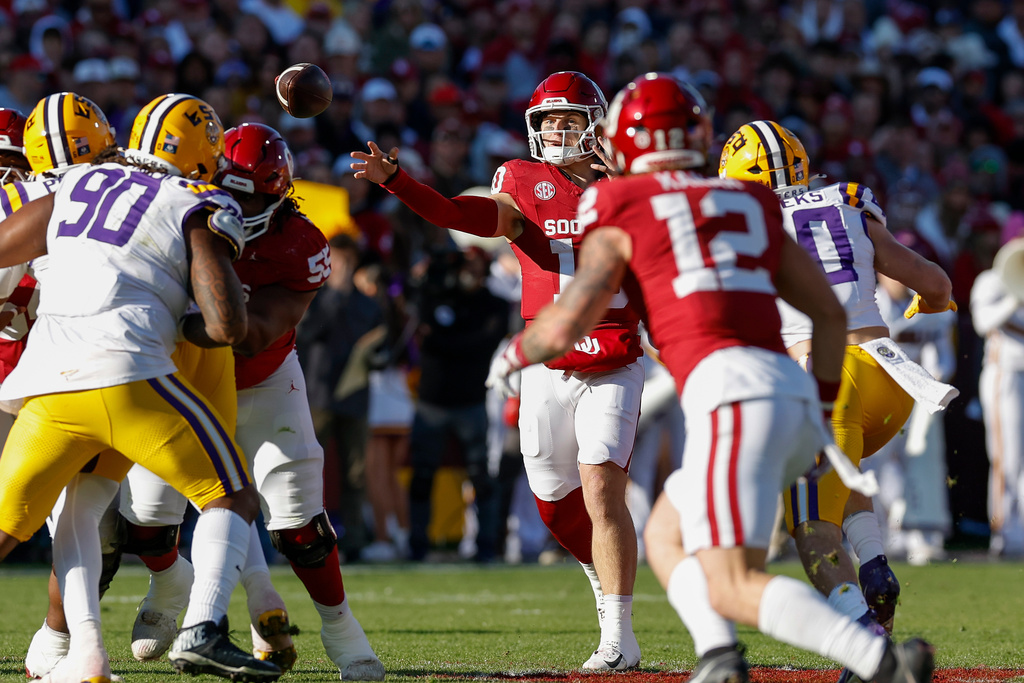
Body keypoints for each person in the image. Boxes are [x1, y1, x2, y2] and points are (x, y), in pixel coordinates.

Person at [485, 72, 935, 683]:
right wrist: (823, 406)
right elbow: (827, 312)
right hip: (792, 384)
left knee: (733, 577)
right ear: (697, 135)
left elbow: (572, 316)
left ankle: (874, 656)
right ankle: (721, 656)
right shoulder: (747, 200)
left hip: (730, 394)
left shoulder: (620, 201)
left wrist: (515, 354)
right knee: (669, 535)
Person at [352, 70, 643, 670]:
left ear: (596, 124)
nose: (558, 130)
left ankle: (619, 633)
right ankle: (601, 582)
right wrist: (398, 182)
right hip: (544, 361)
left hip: (614, 359)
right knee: (551, 502)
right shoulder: (522, 182)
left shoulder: (632, 185)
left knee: (602, 490)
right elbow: (462, 215)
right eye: (548, 120)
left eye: (569, 118)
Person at [0, 92, 280, 682]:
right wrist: (191, 316)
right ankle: (203, 628)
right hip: (129, 376)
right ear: (207, 155)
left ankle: (85, 657)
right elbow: (226, 325)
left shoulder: (81, 182)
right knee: (231, 496)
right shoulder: (197, 199)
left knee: (16, 524)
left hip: (45, 386)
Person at [719, 120, 956, 662]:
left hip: (823, 380)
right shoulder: (847, 198)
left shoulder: (741, 222)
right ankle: (874, 564)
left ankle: (866, 644)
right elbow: (937, 285)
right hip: (890, 375)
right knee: (842, 468)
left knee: (810, 530)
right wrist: (932, 309)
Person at [406, 245, 509, 562]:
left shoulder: (494, 304)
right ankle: (418, 544)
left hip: (470, 401)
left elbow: (482, 342)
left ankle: (487, 545)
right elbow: (416, 324)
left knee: (481, 476)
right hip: (432, 401)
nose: (470, 272)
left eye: (477, 266)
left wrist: (441, 340)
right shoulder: (436, 296)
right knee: (422, 475)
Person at [971, 237, 1024, 557]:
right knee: (1008, 456)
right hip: (1004, 373)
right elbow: (982, 322)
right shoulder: (991, 280)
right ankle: (1003, 532)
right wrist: (1015, 298)